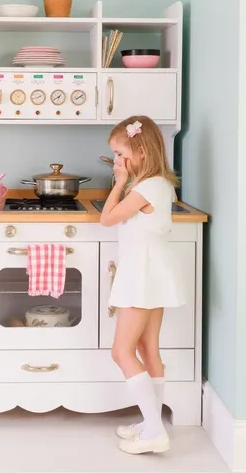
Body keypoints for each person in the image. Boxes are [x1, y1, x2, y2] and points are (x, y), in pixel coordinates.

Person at [100, 116, 184, 455]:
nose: (117, 162)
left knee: (121, 351)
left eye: (121, 155)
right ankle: (153, 424)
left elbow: (106, 218)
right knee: (149, 350)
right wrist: (125, 178)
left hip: (142, 276)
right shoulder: (161, 184)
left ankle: (154, 432)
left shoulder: (141, 189)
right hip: (156, 273)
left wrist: (119, 183)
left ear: (141, 150)